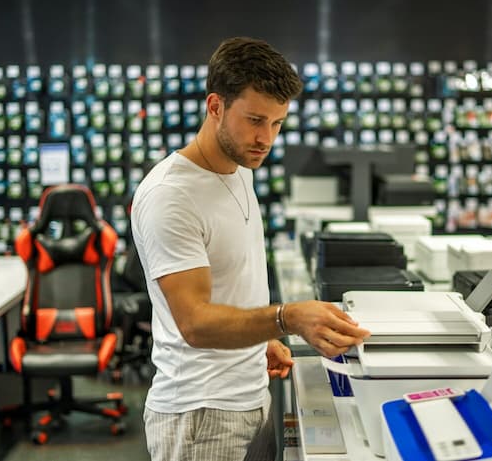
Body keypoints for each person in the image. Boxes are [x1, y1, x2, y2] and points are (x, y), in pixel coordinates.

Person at [131, 37, 371, 461]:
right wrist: (285, 318)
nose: (266, 138)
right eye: (256, 120)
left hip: (248, 396)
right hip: (200, 415)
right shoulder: (172, 195)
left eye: (277, 123)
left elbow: (230, 287)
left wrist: (257, 341)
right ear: (215, 106)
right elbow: (194, 322)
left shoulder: (240, 168)